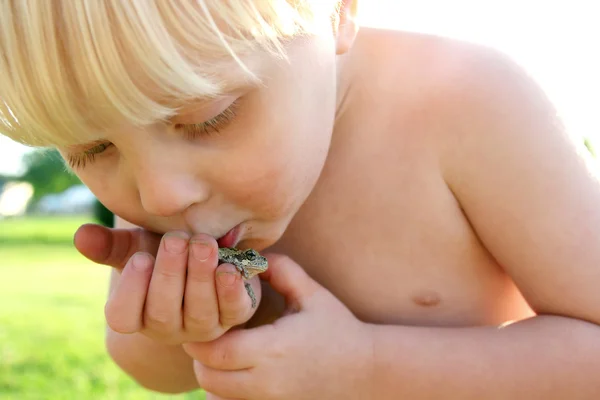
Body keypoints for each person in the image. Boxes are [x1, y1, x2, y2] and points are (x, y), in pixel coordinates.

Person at [2, 1, 600, 398]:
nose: (161, 194)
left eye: (211, 120)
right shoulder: (170, 187)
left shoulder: (467, 100)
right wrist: (185, 324)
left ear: (336, 10)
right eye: (93, 149)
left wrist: (368, 368)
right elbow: (155, 371)